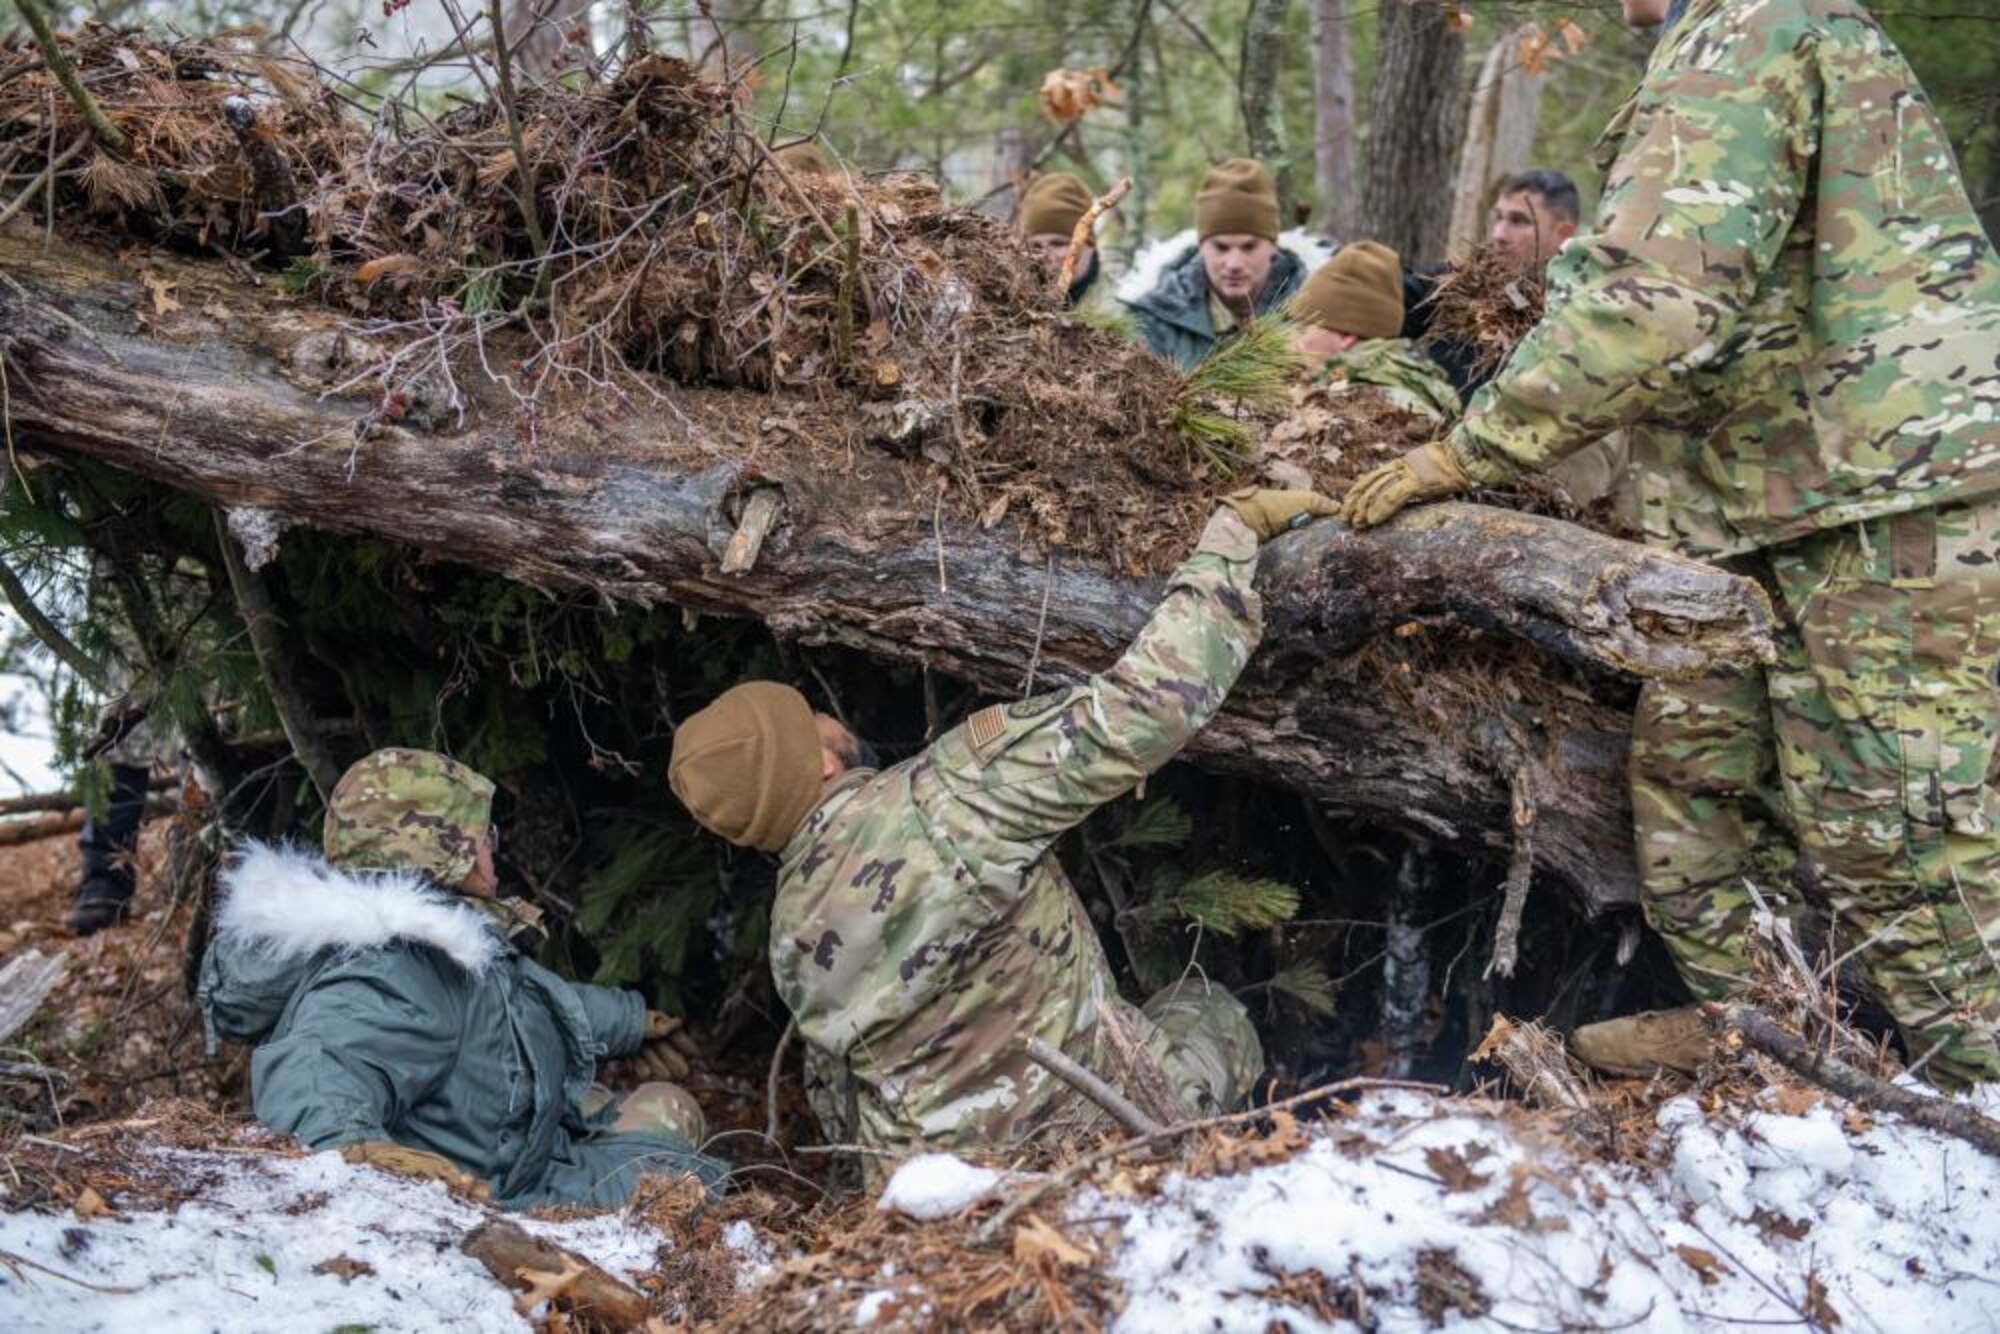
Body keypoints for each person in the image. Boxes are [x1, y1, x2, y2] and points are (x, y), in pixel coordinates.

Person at [1340, 0, 2000, 1088]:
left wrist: (1471, 450)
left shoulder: (1753, 25)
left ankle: (1972, 1119)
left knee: (1901, 845)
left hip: (1881, 498)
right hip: (1761, 503)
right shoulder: (1725, 34)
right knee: (1690, 788)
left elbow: (1658, 298)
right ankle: (1773, 1044)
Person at [668, 489, 1342, 1160]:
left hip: (935, 1204)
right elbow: (1146, 710)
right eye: (813, 715)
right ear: (817, 762)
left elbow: (841, 1100)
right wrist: (1228, 542)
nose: (831, 718)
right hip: (1096, 1152)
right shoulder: (949, 795)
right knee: (1210, 1011)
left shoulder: (790, 938)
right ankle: (1241, 1177)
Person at [199, 748, 726, 1206]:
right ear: (442, 848)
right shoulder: (390, 973)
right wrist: (370, 1167)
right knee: (683, 1158)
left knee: (632, 1102)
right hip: (493, 1209)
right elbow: (314, 1078)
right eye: (484, 834)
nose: (493, 847)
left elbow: (506, 1005)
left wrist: (626, 1021)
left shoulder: (422, 944)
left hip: (502, 1155)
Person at [1123, 159, 1308, 369]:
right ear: (1201, 246)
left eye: (1249, 247)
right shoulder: (1154, 319)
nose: (1234, 264)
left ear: (1273, 246)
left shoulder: (1316, 313)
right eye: (1221, 247)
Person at [1288, 241, 1460, 422]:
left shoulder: (1382, 407)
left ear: (1346, 336)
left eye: (1303, 328)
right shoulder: (1346, 386)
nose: (1292, 341)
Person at [1017, 172, 1107, 312]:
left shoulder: (1123, 310)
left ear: (1089, 244)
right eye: (1035, 246)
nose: (1044, 255)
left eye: (1058, 243)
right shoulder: (1014, 309)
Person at [1486, 168, 1580, 275]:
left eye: (1518, 221)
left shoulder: (1588, 289)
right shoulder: (1474, 283)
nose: (1499, 235)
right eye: (1498, 217)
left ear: (1564, 234)